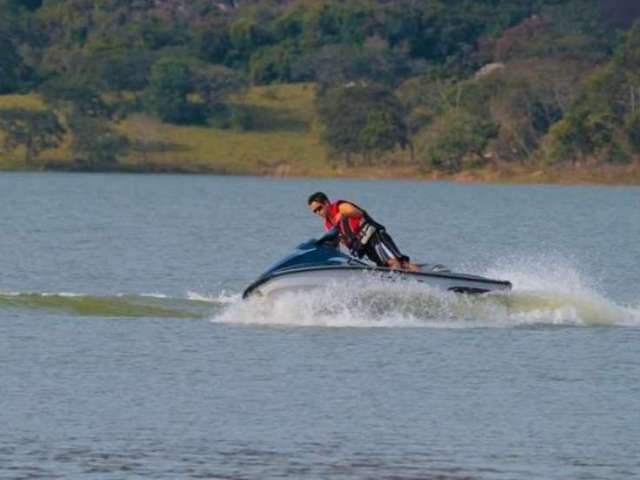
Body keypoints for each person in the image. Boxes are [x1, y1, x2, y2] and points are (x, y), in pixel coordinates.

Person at [307, 192, 420, 272]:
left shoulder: (341, 207)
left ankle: (415, 282)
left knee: (394, 262)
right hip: (364, 248)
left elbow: (358, 213)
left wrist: (342, 215)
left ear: (326, 203)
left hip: (374, 237)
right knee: (387, 267)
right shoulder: (328, 225)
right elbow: (341, 241)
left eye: (319, 208)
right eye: (315, 211)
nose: (318, 212)